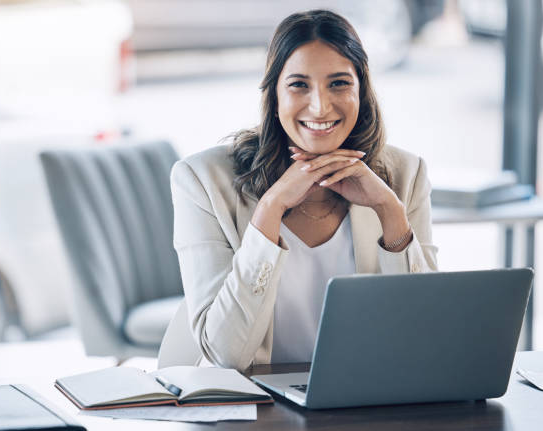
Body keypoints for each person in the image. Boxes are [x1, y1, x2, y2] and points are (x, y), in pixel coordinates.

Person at [170, 10, 438, 371]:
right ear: (275, 95)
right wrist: (270, 209)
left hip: (363, 403)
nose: (320, 106)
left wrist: (390, 212)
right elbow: (225, 356)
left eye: (339, 83)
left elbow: (427, 338)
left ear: (362, 90)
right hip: (252, 412)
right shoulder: (201, 180)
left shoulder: (406, 175)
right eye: (299, 85)